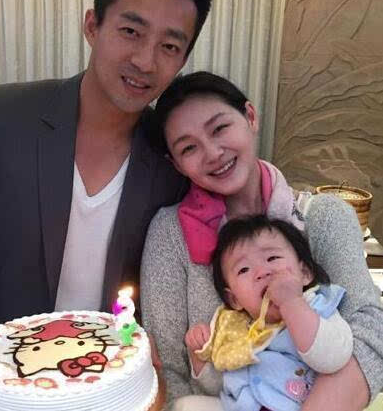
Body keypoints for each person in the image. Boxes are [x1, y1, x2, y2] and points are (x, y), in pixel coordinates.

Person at [0, 0, 212, 410]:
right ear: (92, 25)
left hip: (102, 390)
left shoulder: (169, 159)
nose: (145, 61)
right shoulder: (0, 116)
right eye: (131, 31)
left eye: (169, 46)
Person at [140, 71, 383, 410]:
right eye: (189, 147)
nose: (213, 153)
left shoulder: (323, 217)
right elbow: (168, 371)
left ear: (250, 117)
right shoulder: (170, 234)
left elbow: (371, 333)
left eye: (219, 128)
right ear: (176, 164)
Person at [176, 214, 353, 411]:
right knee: (184, 406)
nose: (262, 272)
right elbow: (220, 387)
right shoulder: (236, 330)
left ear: (304, 273)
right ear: (234, 299)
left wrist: (292, 303)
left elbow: (334, 359)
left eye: (272, 258)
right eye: (244, 269)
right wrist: (199, 358)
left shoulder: (316, 307)